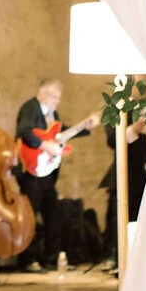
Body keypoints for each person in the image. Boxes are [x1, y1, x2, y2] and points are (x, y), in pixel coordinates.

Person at [15, 78, 98, 270]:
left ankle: (51, 259)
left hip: (46, 173)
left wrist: (85, 127)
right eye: (54, 97)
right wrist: (45, 146)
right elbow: (23, 131)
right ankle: (28, 260)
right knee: (30, 215)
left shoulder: (51, 114)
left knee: (53, 213)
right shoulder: (30, 108)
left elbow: (60, 134)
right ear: (42, 93)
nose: (57, 101)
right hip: (31, 170)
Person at [99, 118, 146, 264]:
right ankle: (120, 260)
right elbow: (112, 140)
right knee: (121, 220)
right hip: (128, 176)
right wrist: (133, 130)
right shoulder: (120, 110)